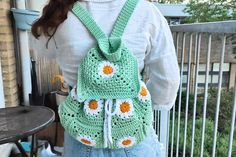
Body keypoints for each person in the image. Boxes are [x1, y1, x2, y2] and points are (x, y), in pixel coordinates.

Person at [31, 0, 180, 156]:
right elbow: (168, 80)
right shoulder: (147, 12)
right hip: (134, 135)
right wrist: (138, 104)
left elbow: (42, 51)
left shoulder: (58, 15)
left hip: (81, 135)